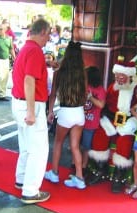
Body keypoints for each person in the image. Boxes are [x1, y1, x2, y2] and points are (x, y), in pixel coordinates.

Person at [11, 18, 51, 204]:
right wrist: (31, 111)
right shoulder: (35, 50)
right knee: (39, 149)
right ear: (42, 31)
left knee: (26, 146)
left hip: (20, 103)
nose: (49, 38)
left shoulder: (26, 48)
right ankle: (30, 190)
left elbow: (27, 78)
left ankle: (21, 180)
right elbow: (29, 80)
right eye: (48, 34)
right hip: (30, 104)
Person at [87, 56, 137, 192]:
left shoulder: (136, 89)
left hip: (127, 121)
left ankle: (119, 175)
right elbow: (106, 105)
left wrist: (131, 121)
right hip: (110, 118)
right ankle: (100, 169)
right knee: (100, 134)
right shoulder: (112, 87)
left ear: (129, 75)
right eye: (117, 74)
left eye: (122, 75)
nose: (119, 77)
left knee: (125, 140)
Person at [44, 41, 87, 189]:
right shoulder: (83, 73)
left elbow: (52, 94)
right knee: (75, 146)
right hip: (79, 112)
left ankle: (54, 173)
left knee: (58, 143)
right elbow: (85, 94)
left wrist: (50, 111)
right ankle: (80, 178)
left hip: (65, 112)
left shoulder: (59, 72)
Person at [81, 66, 106, 181]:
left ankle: (84, 167)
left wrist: (90, 97)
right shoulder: (85, 86)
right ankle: (75, 164)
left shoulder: (100, 90)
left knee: (86, 146)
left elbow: (101, 105)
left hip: (91, 123)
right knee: (76, 145)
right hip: (80, 121)